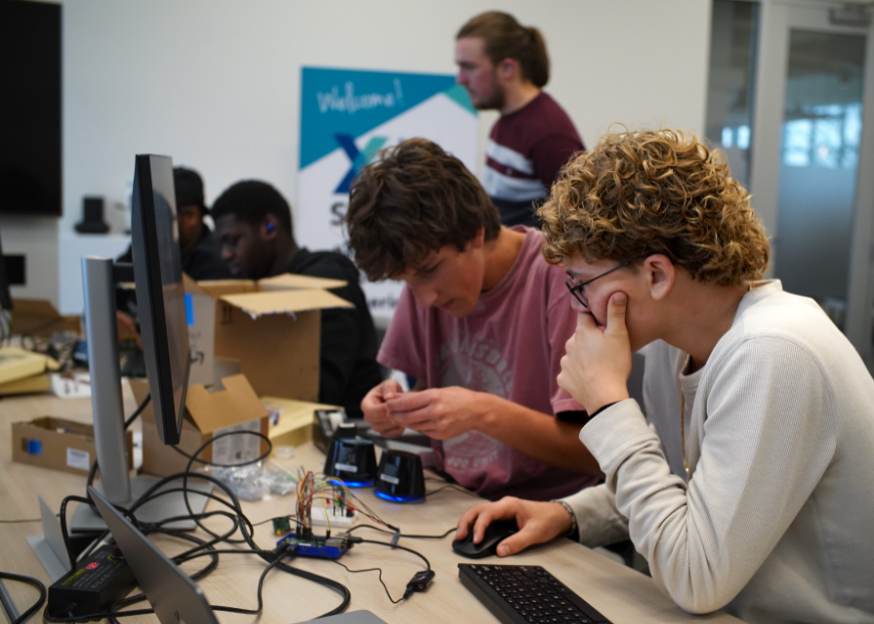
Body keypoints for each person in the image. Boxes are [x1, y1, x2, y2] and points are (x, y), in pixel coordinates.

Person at [456, 129, 874, 624]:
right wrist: (569, 514)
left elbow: (696, 578)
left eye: (581, 284)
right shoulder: (672, 344)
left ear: (656, 274)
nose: (577, 307)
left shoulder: (771, 352)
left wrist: (608, 405)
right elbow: (681, 492)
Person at [344, 138, 600, 501]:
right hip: (455, 496)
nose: (424, 298)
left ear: (475, 232)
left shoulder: (559, 279)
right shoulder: (423, 281)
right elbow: (430, 391)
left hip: (550, 511)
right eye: (406, 281)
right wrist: (396, 407)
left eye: (430, 271)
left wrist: (483, 412)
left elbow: (595, 455)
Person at [210, 180, 382, 417]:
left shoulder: (326, 279)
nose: (226, 254)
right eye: (222, 244)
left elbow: (319, 391)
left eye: (234, 240)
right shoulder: (261, 290)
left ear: (270, 227)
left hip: (344, 433)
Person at [455, 11, 584, 228]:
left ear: (507, 68)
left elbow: (579, 224)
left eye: (469, 67)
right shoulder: (504, 121)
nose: (460, 79)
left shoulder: (550, 136)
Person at [116, 167, 231, 346]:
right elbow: (107, 288)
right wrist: (110, 314)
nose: (147, 228)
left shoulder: (214, 266)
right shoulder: (145, 247)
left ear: (191, 216)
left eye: (157, 218)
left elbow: (199, 335)